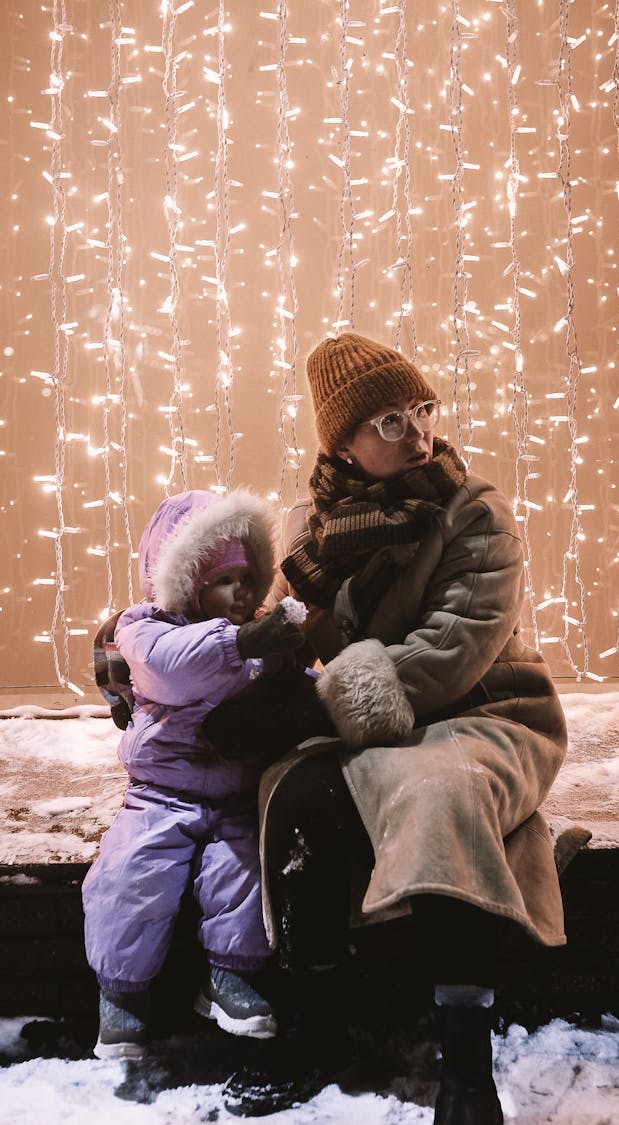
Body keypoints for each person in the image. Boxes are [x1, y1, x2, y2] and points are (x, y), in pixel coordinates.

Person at [223, 332, 575, 1125]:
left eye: (422, 409)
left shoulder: (473, 509)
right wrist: (158, 640)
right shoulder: (315, 531)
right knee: (299, 799)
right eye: (388, 421)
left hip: (481, 714)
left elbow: (456, 646)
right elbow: (271, 619)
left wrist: (325, 702)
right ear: (342, 441)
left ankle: (465, 1061)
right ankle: (314, 1027)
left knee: (438, 794)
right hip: (370, 725)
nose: (417, 433)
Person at [82, 488, 307, 1060]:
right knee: (131, 875)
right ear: (187, 582)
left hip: (236, 792)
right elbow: (176, 670)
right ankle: (122, 993)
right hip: (160, 791)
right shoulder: (144, 629)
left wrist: (296, 668)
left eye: (250, 578)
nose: (244, 592)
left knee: (245, 875)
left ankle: (230, 977)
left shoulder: (255, 633)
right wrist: (249, 641)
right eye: (226, 579)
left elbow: (289, 685)